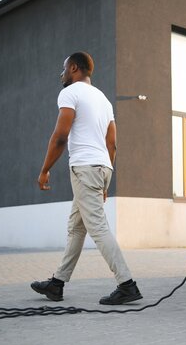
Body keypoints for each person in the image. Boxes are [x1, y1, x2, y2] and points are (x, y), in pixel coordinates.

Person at [31, 51, 142, 305]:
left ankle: (127, 284)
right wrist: (106, 180)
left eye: (63, 68)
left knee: (97, 227)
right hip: (101, 168)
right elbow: (112, 143)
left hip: (84, 168)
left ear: (73, 68)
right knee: (76, 227)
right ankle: (57, 284)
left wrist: (44, 169)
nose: (61, 74)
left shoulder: (70, 93)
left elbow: (60, 136)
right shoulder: (103, 99)